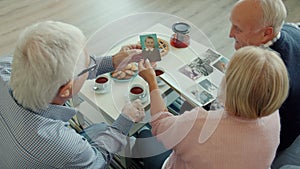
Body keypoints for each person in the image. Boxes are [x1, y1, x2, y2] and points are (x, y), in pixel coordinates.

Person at [0, 20, 145, 168]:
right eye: (87, 64)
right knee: (102, 129)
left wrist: (113, 61)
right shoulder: (66, 146)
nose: (90, 65)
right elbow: (97, 162)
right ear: (66, 90)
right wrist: (125, 121)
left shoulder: (4, 66)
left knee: (100, 129)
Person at [136, 46, 289, 169]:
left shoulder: (199, 124)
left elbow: (160, 125)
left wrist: (152, 82)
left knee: (144, 134)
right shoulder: (273, 115)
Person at [229, 0, 300, 167]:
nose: (230, 34)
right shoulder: (291, 30)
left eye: (238, 28)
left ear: (266, 33)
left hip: (275, 140)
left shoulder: (263, 75)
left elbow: (237, 117)